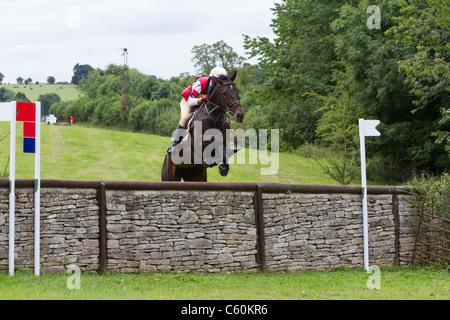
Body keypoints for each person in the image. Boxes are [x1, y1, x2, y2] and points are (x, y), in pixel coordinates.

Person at [167, 66, 228, 153]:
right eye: (219, 79)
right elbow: (191, 101)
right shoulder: (201, 82)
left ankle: (224, 146)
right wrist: (202, 99)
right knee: (185, 117)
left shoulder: (218, 87)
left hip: (202, 104)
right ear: (212, 78)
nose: (221, 82)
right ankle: (175, 143)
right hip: (188, 101)